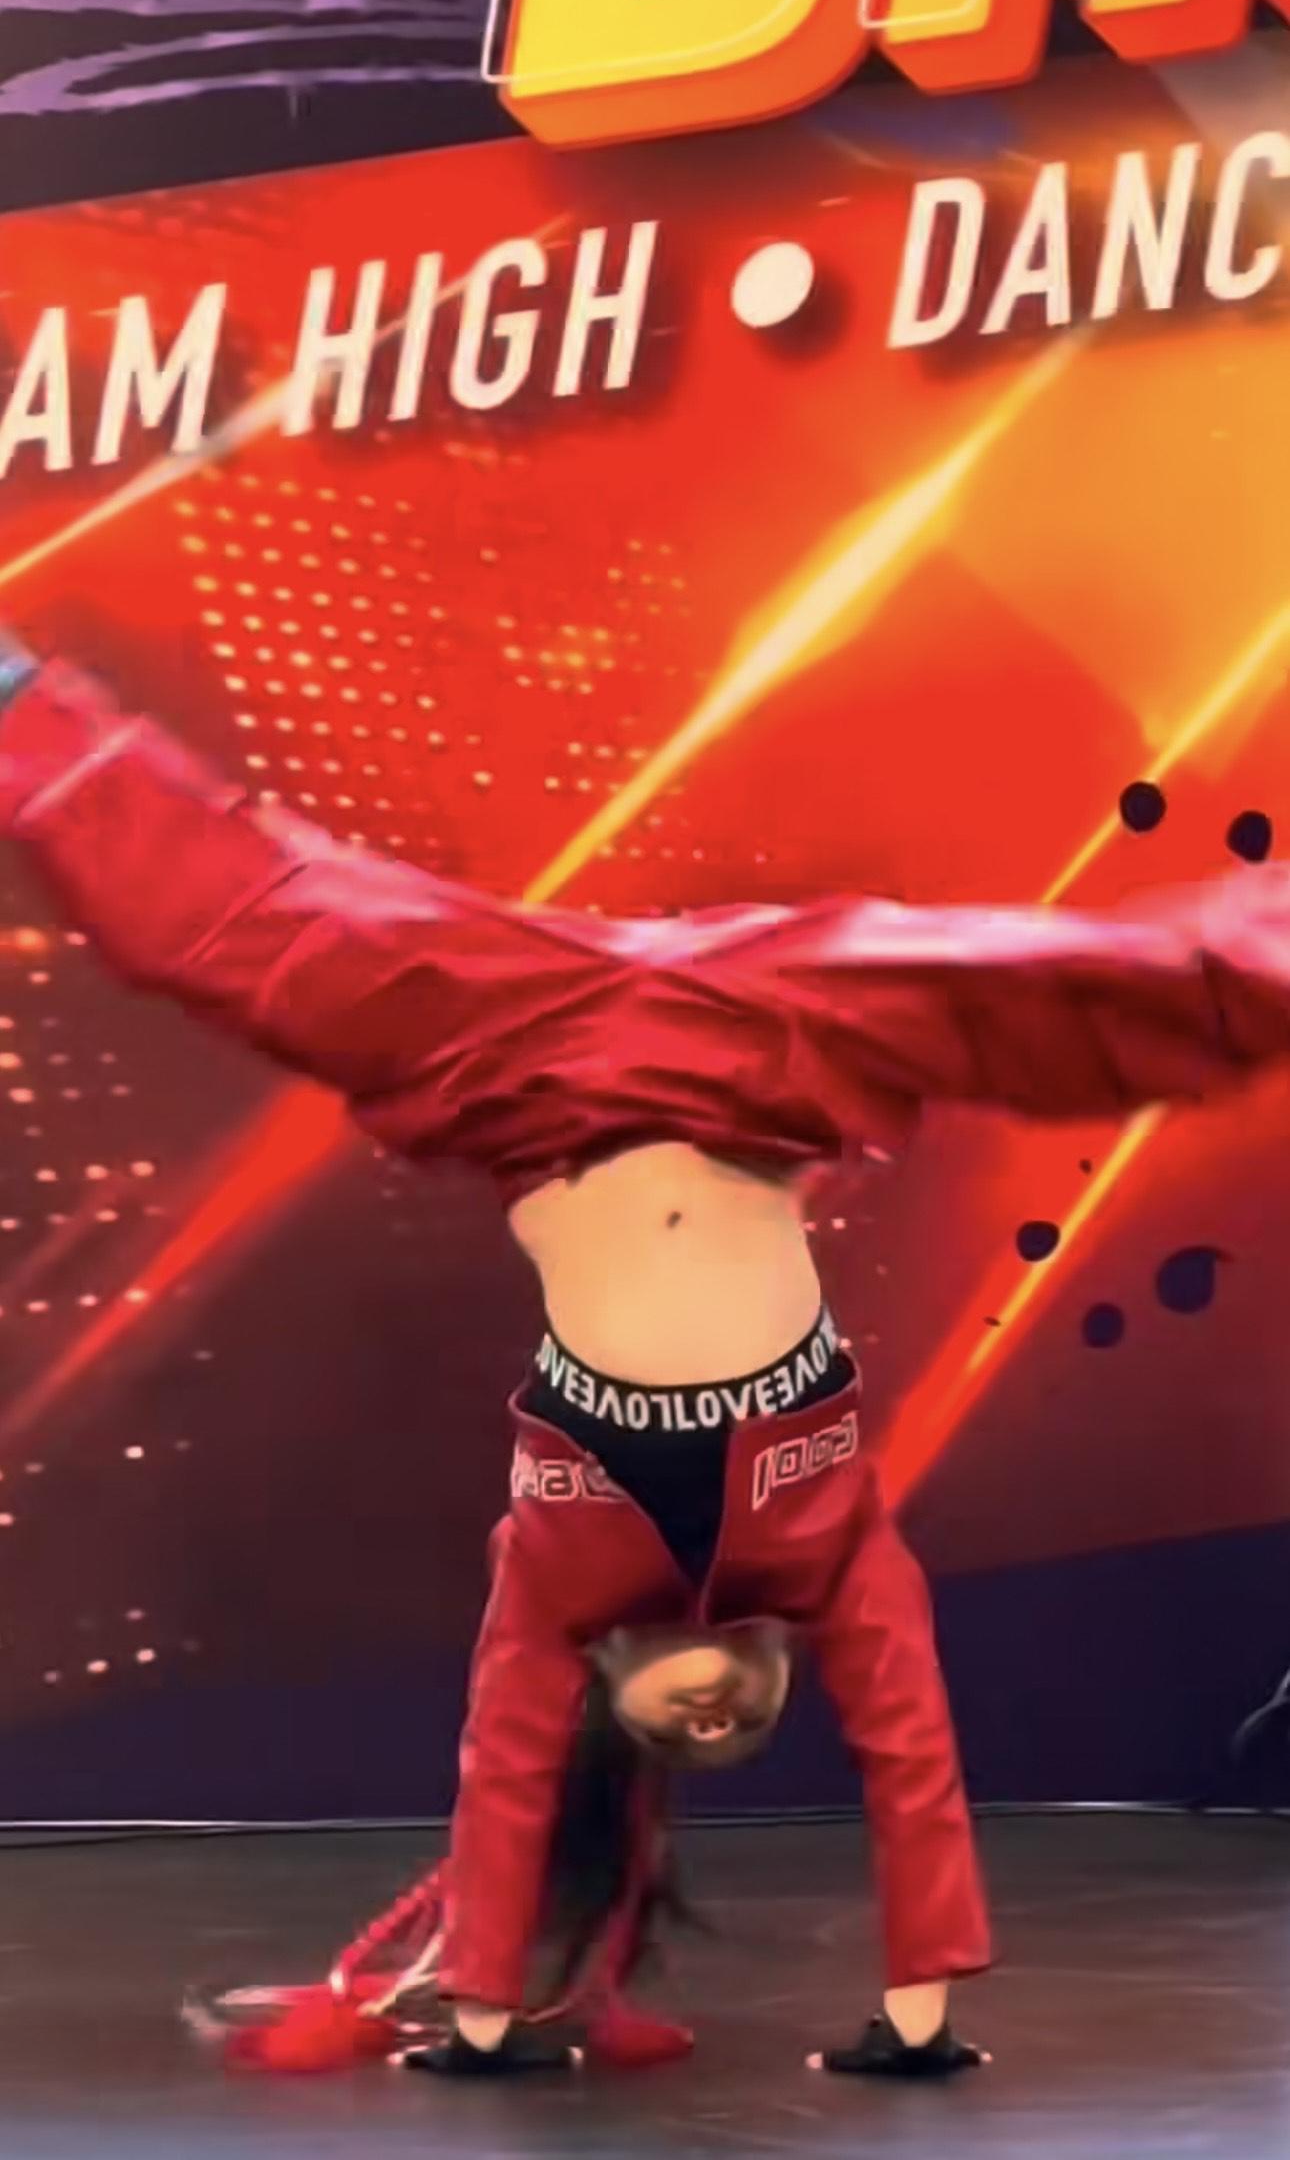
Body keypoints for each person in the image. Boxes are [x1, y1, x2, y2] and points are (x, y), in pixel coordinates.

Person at [3, 640, 1290, 2079]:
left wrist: (483, 2022)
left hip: (513, 1050)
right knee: (1111, 990)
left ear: (607, 1690)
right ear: (780, 1660)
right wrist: (918, 2022)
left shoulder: (557, 1574)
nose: (720, 1717)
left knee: (233, 926)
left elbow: (506, 1770)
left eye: (685, 1737)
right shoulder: (829, 1549)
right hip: (773, 1026)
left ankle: (15, 698)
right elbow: (911, 1762)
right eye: (749, 1720)